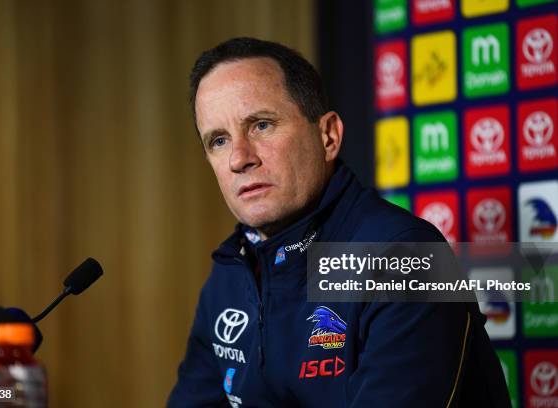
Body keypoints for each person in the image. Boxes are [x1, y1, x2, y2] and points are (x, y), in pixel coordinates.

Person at [168, 37, 510, 407]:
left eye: (261, 125)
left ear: (328, 136)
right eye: (218, 140)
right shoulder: (231, 272)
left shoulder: (404, 257)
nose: (239, 158)